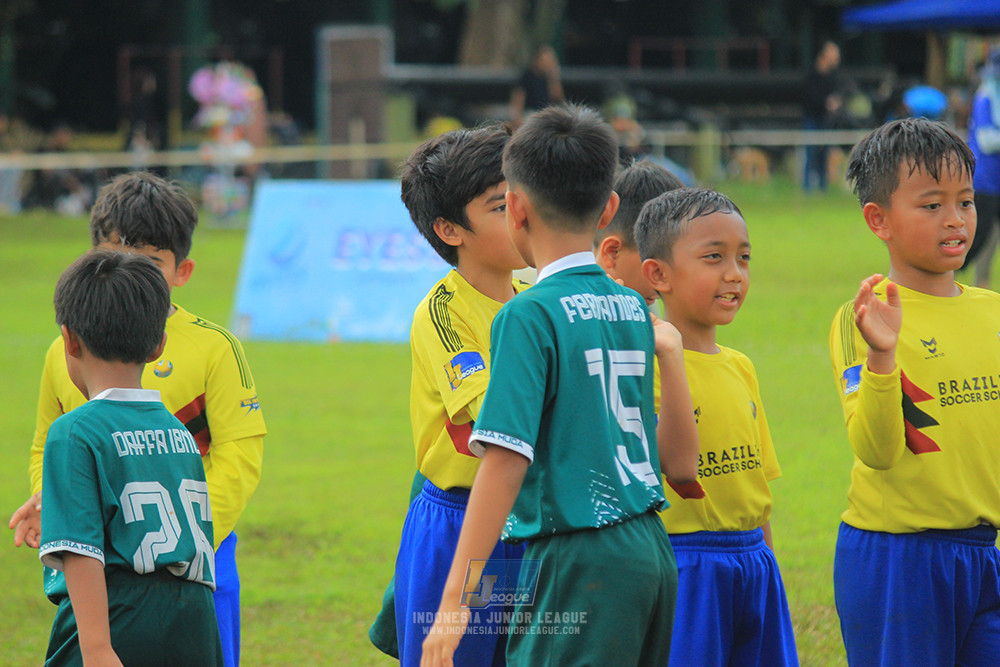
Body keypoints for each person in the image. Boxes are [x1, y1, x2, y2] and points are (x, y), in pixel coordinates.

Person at [421, 104, 700, 666]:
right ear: (609, 208)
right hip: (650, 549)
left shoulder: (529, 314)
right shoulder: (630, 305)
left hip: (579, 560)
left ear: (516, 208)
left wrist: (454, 602)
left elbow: (505, 461)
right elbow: (679, 465)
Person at [9, 171, 265, 667]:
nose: (127, 270)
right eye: (114, 253)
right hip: (96, 558)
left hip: (197, 557)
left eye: (147, 261)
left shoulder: (215, 347)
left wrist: (186, 538)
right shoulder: (63, 353)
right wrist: (52, 502)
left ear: (182, 270)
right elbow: (46, 446)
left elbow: (239, 456)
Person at [829, 117, 1000, 666]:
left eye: (966, 202)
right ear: (878, 219)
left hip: (983, 553)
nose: (956, 220)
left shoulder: (993, 312)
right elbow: (877, 450)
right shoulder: (863, 316)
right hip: (898, 556)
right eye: (931, 205)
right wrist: (881, 356)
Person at [380, 123, 530, 667]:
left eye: (521, 199)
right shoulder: (442, 314)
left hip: (533, 517)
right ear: (449, 229)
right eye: (499, 207)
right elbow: (497, 417)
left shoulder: (536, 297)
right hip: (457, 519)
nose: (521, 216)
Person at [635, 188, 798, 667]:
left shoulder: (740, 366)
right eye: (714, 257)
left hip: (752, 561)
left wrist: (769, 570)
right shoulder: (644, 368)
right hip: (686, 565)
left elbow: (756, 487)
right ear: (658, 275)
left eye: (743, 258)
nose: (734, 274)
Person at [39, 249, 222, 666]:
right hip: (194, 619)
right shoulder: (178, 431)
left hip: (117, 615)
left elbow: (81, 550)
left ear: (69, 339)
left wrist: (97, 648)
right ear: (158, 345)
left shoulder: (74, 431)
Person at [594, 158, 685, 308]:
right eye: (657, 268)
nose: (667, 281)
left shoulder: (645, 307)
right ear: (613, 252)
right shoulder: (565, 312)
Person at [963, 49, 1000, 288]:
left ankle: (982, 283)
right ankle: (947, 272)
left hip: (996, 179)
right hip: (985, 180)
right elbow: (986, 140)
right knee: (981, 233)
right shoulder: (986, 97)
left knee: (991, 234)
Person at [802, 41, 842, 192]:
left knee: (824, 153)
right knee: (810, 152)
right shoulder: (811, 73)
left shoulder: (833, 76)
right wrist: (825, 102)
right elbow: (807, 96)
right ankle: (807, 187)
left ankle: (822, 187)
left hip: (826, 119)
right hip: (812, 118)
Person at [509, 45, 564, 128]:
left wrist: (554, 78)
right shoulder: (527, 75)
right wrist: (517, 117)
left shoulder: (549, 77)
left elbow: (557, 98)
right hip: (530, 113)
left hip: (546, 114)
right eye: (545, 60)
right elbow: (518, 97)